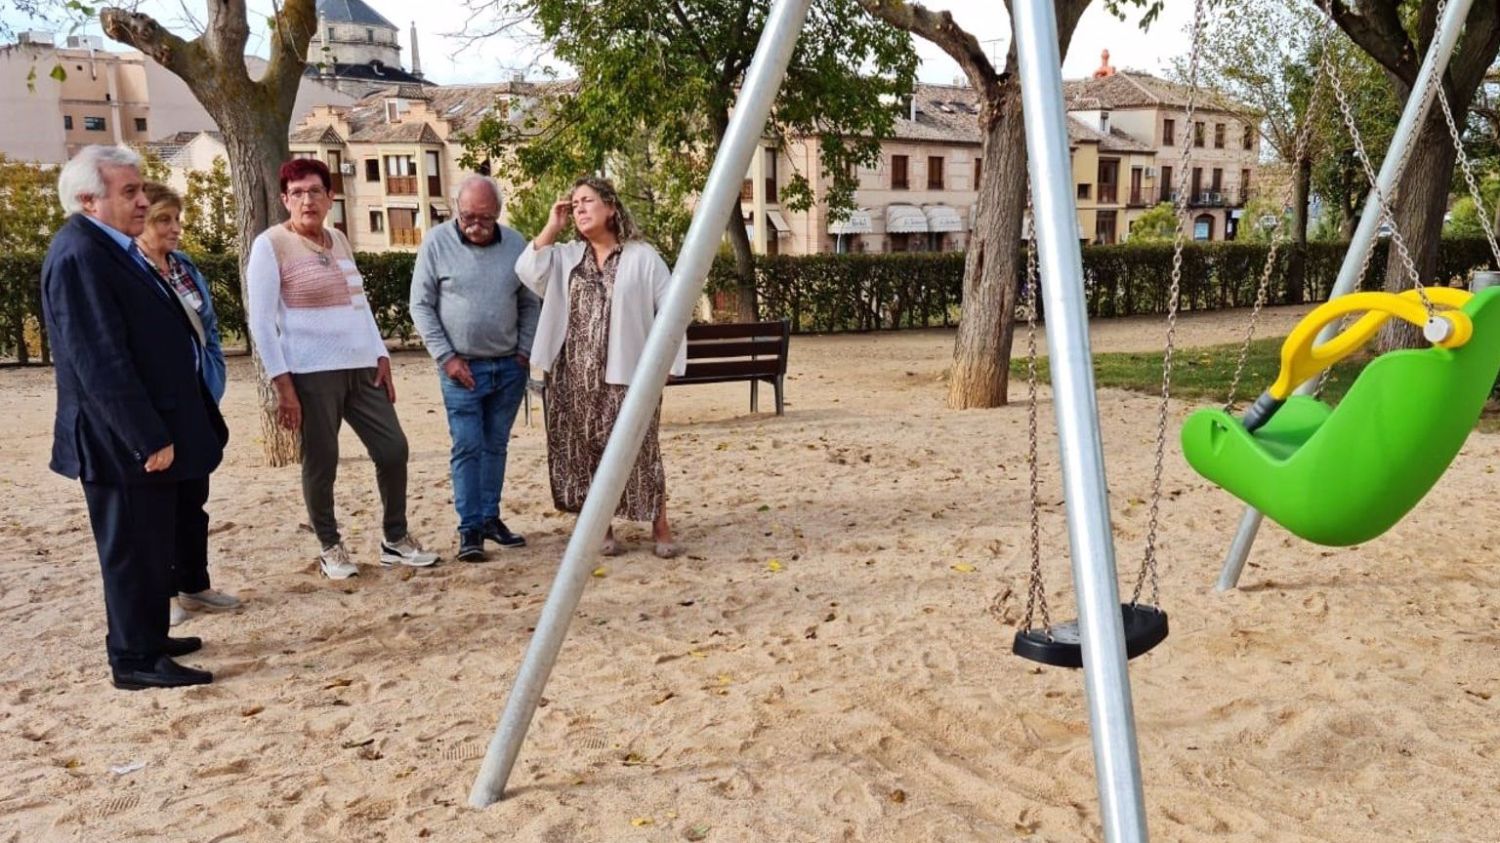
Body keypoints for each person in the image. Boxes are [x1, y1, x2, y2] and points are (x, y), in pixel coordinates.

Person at [42, 145, 226, 689]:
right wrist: (146, 437)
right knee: (130, 551)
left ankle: (150, 636)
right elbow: (98, 358)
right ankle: (135, 659)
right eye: (129, 192)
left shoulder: (112, 248)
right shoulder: (80, 255)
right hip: (116, 441)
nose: (143, 200)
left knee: (152, 545)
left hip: (144, 431)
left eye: (141, 188)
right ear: (88, 201)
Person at [246, 158, 438, 578]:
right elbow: (260, 322)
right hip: (310, 372)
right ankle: (330, 546)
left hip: (361, 366)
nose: (306, 200)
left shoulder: (339, 240)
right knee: (322, 460)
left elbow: (360, 305)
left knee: (393, 448)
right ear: (284, 199)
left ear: (329, 197)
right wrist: (283, 386)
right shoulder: (271, 244)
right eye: (296, 193)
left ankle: (394, 537)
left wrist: (381, 354)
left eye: (314, 191)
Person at [516, 176, 686, 558]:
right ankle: (602, 527)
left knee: (639, 447)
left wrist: (671, 362)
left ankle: (660, 526)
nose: (579, 208)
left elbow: (673, 309)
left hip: (628, 374)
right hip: (570, 374)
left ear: (611, 207)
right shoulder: (565, 256)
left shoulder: (642, 256)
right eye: (574, 203)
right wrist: (551, 226)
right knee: (582, 449)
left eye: (587, 201)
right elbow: (527, 269)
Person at [410, 176, 540, 561]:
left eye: (484, 217)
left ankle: (489, 517)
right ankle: (469, 530)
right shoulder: (435, 243)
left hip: (508, 366)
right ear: (456, 210)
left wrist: (524, 352)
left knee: (496, 445)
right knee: (467, 445)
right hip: (460, 367)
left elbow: (530, 302)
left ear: (498, 213)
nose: (475, 224)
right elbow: (420, 305)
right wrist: (446, 357)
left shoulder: (516, 244)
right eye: (467, 216)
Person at [135, 181, 242, 626]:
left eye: (177, 219)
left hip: (196, 402)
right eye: (164, 220)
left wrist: (210, 383)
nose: (175, 228)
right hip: (157, 406)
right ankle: (164, 597)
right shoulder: (130, 273)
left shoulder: (184, 267)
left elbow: (210, 329)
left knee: (193, 499)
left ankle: (194, 585)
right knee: (157, 509)